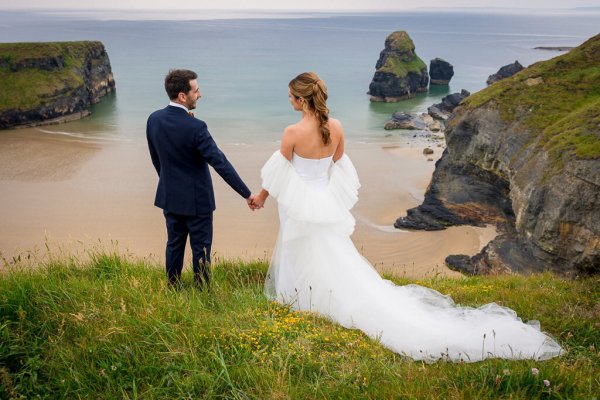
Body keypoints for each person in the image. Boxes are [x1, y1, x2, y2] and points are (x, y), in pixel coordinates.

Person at [250, 72, 563, 362]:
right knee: (333, 253)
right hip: (325, 201)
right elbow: (338, 161)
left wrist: (260, 198)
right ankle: (317, 297)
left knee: (305, 250)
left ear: (302, 99)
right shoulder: (338, 126)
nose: (289, 102)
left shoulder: (292, 132)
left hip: (303, 205)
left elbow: (280, 173)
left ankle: (305, 299)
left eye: (292, 97)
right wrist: (322, 185)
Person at [147, 69, 257, 289]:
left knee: (174, 245)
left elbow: (156, 159)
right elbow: (220, 163)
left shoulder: (154, 119)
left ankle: (173, 287)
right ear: (182, 95)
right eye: (196, 91)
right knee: (201, 249)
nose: (200, 94)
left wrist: (170, 183)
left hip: (170, 196)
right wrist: (247, 193)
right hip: (198, 201)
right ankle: (203, 291)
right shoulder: (196, 127)